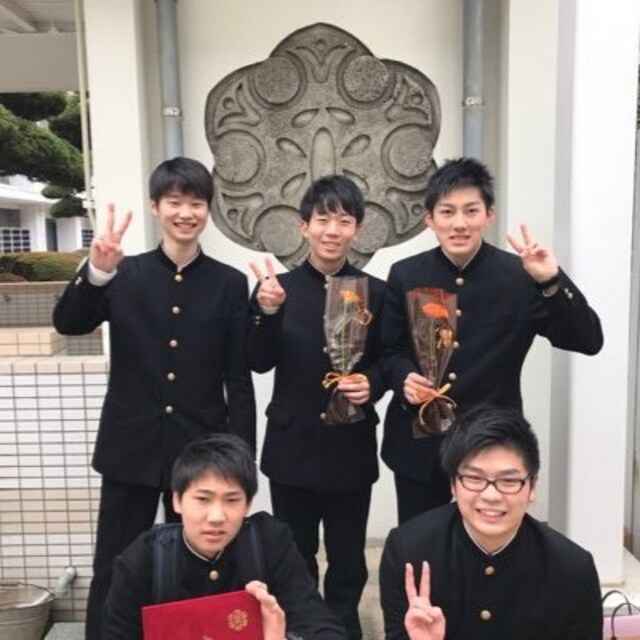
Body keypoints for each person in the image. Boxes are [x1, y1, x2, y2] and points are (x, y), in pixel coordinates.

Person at [53, 157, 256, 640]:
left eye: (196, 203)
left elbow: (238, 377)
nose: (185, 213)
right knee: (115, 562)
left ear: (208, 209)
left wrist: (242, 456)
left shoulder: (229, 283)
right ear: (155, 206)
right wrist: (96, 272)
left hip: (200, 450)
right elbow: (69, 323)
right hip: (130, 448)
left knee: (203, 562)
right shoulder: (124, 273)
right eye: (174, 202)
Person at [382, 157, 603, 523]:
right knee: (420, 542)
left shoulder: (520, 276)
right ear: (430, 219)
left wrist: (551, 281)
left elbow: (587, 339)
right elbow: (390, 350)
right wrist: (404, 377)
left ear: (489, 215)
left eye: (471, 210)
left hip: (493, 445)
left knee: (490, 543)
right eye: (447, 212)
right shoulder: (406, 274)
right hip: (418, 443)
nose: (459, 223)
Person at [247, 175, 386, 639]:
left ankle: (343, 630)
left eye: (344, 220)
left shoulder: (375, 291)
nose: (332, 230)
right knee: (296, 555)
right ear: (304, 226)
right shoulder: (276, 289)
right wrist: (268, 312)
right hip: (292, 447)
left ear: (357, 229)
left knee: (348, 558)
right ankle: (301, 630)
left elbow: (391, 358)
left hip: (351, 445)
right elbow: (258, 360)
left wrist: (373, 383)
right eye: (322, 219)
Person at [379, 405, 603, 640]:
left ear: (532, 486)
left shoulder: (573, 570)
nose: (491, 495)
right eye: (474, 478)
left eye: (509, 481)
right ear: (453, 484)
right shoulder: (408, 552)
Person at [102, 432, 347, 639]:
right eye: (203, 499)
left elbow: (324, 628)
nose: (217, 516)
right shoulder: (143, 560)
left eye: (231, 500)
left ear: (248, 504)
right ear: (176, 500)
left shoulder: (270, 543)